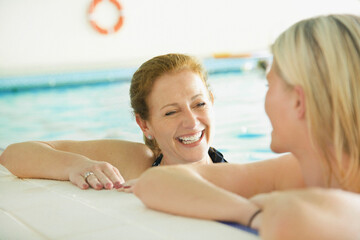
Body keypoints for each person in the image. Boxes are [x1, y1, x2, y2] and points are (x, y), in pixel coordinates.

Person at [130, 14, 360, 239]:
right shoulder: (306, 166)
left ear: (298, 101)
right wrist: (252, 214)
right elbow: (154, 182)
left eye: (269, 84)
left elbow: (290, 218)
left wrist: (274, 207)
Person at [0, 54, 226, 190]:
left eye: (199, 104)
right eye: (171, 112)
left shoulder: (239, 177)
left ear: (212, 102)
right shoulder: (137, 163)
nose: (191, 121)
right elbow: (14, 155)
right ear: (144, 125)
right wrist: (75, 165)